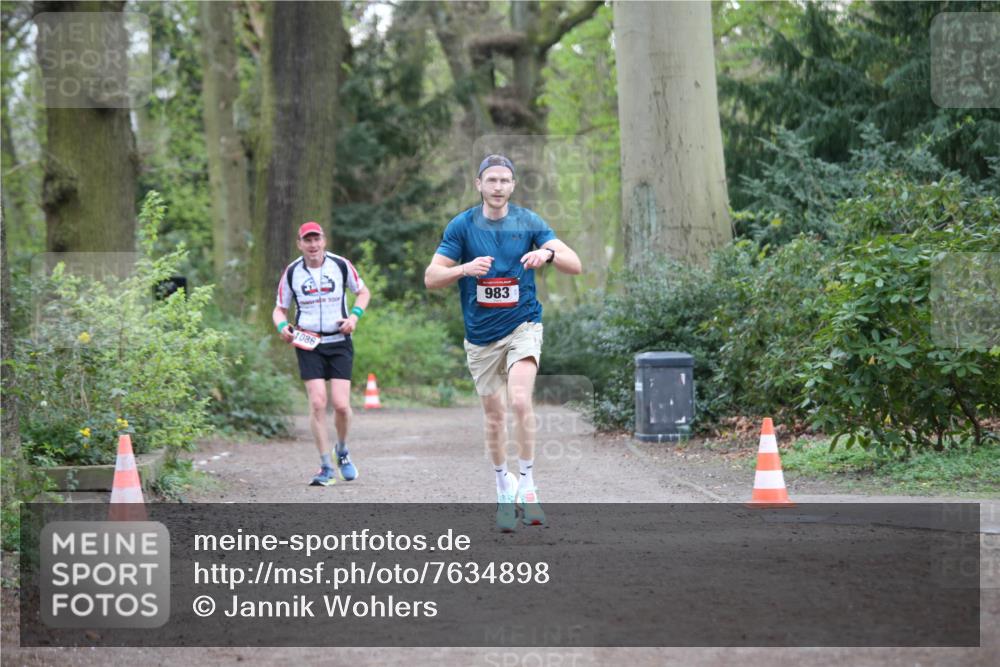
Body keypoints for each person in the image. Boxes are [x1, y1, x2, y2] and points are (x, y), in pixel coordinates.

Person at [424, 155, 582, 531]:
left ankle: (528, 484)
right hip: (480, 337)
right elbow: (431, 277)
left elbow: (573, 262)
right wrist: (464, 269)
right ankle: (502, 484)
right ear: (478, 184)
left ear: (513, 186)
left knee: (520, 400)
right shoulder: (462, 226)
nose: (498, 187)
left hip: (523, 325)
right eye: (491, 180)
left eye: (505, 180)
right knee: (495, 417)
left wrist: (548, 253)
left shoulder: (529, 222)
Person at [273, 222, 371, 487]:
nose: (313, 245)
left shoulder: (340, 265)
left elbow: (363, 292)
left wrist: (354, 317)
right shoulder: (293, 272)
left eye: (317, 239)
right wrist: (283, 328)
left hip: (339, 341)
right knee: (317, 402)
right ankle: (325, 466)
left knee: (340, 405)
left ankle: (342, 450)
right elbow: (279, 309)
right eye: (308, 240)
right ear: (299, 244)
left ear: (324, 241)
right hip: (308, 342)